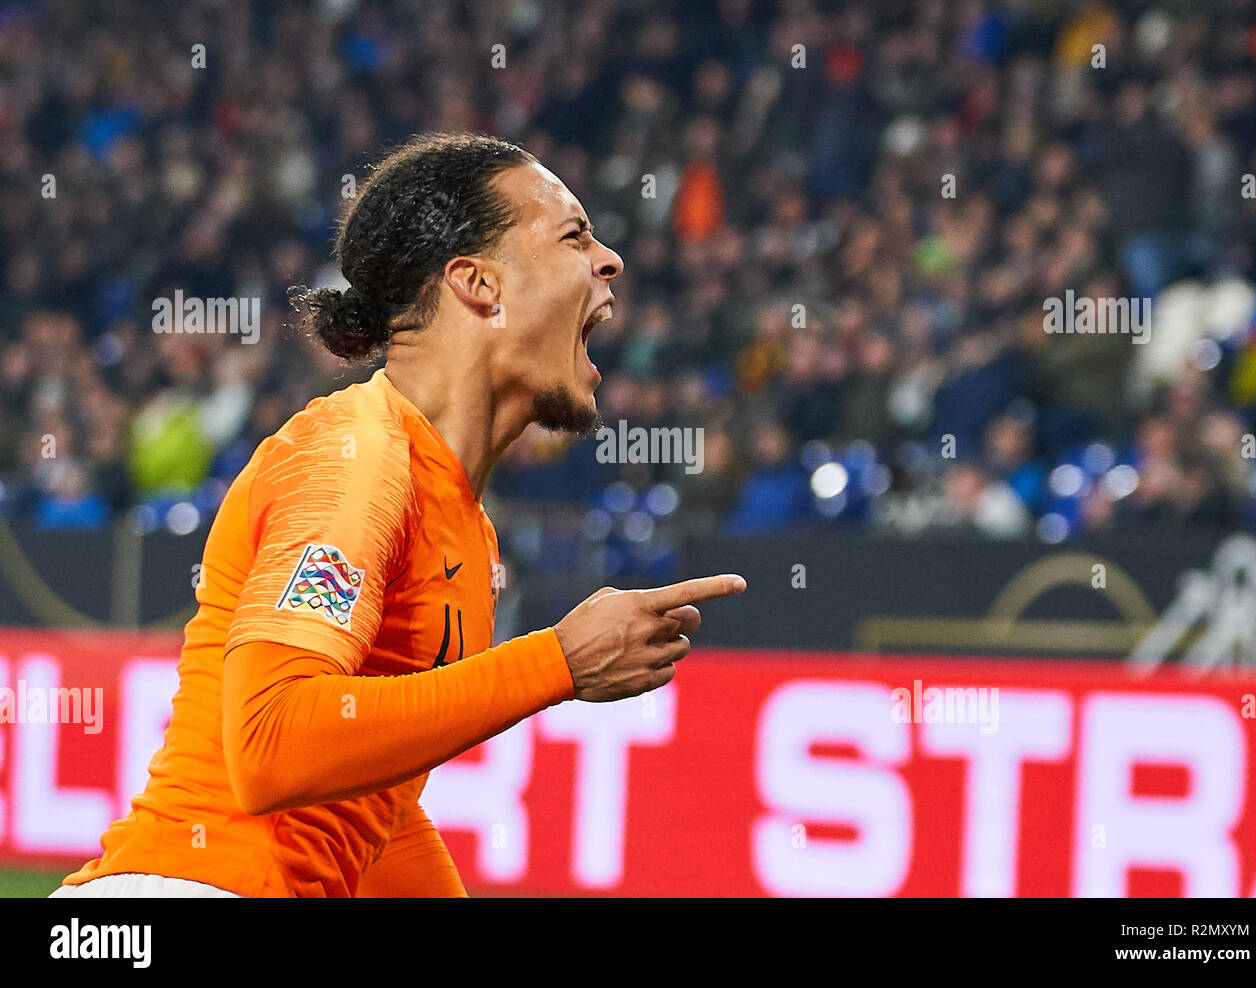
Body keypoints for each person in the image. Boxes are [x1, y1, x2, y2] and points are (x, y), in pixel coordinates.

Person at [53, 133, 745, 898]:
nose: (609, 259)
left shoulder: (460, 522)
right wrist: (556, 663)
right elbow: (270, 743)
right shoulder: (356, 458)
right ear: (479, 284)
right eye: (574, 235)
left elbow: (372, 809)